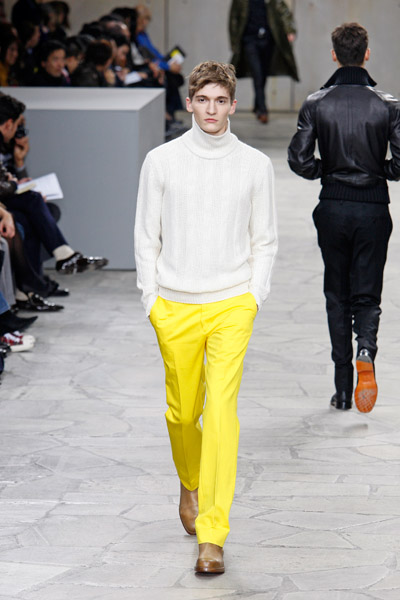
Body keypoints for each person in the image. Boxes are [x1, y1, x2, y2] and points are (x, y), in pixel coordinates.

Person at [135, 61, 277, 573]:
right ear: (189, 102)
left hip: (232, 303)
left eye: (221, 101)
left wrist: (254, 296)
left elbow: (264, 238)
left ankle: (212, 536)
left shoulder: (255, 165)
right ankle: (189, 481)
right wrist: (151, 299)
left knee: (220, 415)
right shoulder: (161, 161)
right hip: (173, 304)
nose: (212, 110)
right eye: (203, 100)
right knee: (181, 414)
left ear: (233, 105)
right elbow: (146, 235)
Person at [288, 23, 400, 414]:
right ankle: (365, 348)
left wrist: (329, 171)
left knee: (337, 295)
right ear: (366, 53)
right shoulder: (388, 104)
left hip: (333, 207)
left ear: (334, 55)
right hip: (373, 209)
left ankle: (341, 388)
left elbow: (299, 160)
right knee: (367, 293)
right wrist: (378, 172)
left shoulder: (316, 102)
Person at [229, 0, 298, 123]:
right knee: (257, 74)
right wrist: (234, 42)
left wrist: (290, 30)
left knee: (263, 73)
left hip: (268, 40)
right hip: (249, 40)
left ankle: (257, 104)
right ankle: (262, 110)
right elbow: (233, 18)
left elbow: (284, 11)